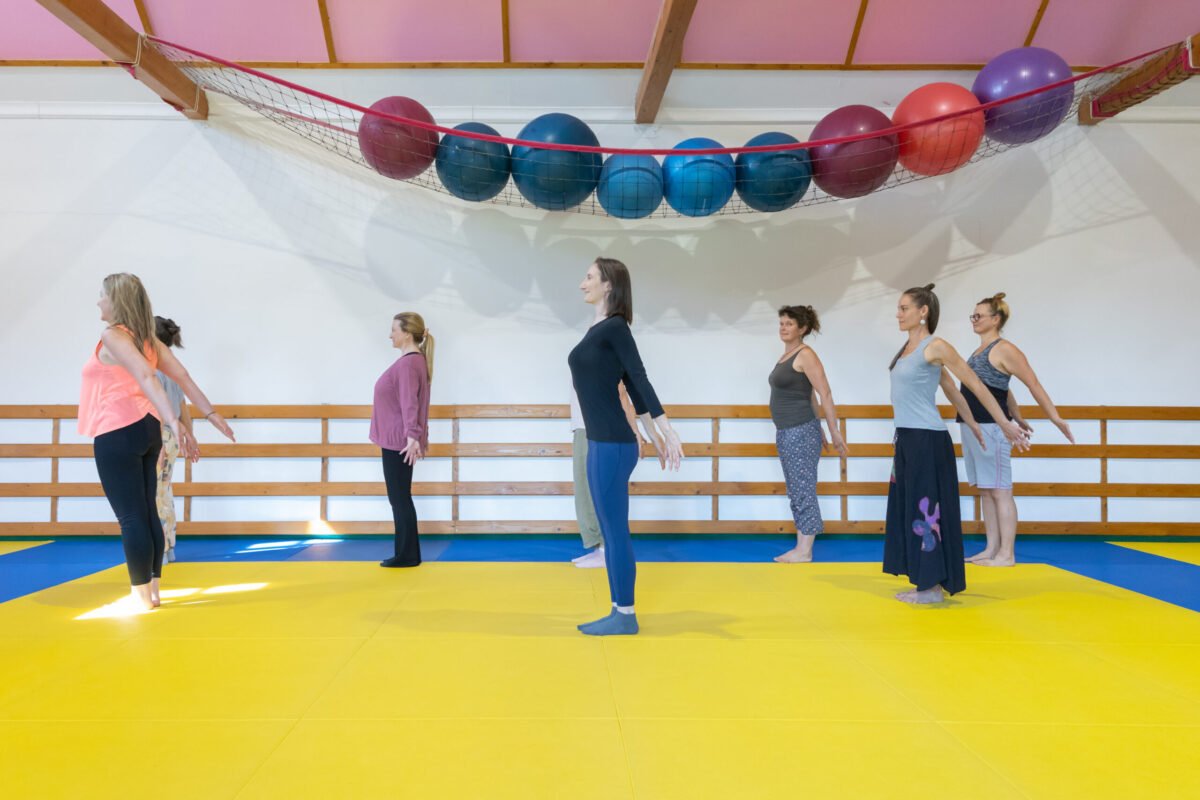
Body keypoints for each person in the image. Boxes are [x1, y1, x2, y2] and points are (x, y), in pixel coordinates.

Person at [79, 274, 234, 610]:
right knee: (147, 511)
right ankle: (153, 592)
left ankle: (140, 595)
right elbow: (182, 377)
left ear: (116, 301)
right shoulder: (148, 340)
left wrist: (177, 422)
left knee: (132, 518)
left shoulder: (113, 337)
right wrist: (209, 414)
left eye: (102, 296)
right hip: (146, 431)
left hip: (117, 431)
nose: (98, 302)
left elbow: (151, 378)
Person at [883, 284, 1028, 604]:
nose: (898, 313)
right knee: (909, 513)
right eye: (898, 308)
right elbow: (950, 390)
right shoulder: (907, 350)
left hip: (927, 440)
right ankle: (923, 580)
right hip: (906, 439)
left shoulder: (936, 346)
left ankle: (932, 587)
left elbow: (974, 384)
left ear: (923, 312)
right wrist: (972, 424)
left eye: (904, 308)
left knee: (927, 515)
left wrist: (1003, 422)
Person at [568, 257, 684, 635]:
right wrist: (653, 434)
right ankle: (620, 611)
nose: (582, 283)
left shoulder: (616, 327)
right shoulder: (599, 328)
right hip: (601, 442)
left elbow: (639, 378)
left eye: (589, 277)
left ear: (608, 286)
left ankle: (625, 614)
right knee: (610, 529)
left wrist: (667, 431)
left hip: (613, 446)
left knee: (615, 532)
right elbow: (629, 387)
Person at [959, 293, 1074, 566]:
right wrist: (1017, 414)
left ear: (995, 319)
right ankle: (991, 548)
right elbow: (1002, 387)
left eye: (979, 316)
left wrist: (1054, 417)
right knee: (986, 490)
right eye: (972, 316)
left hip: (993, 428)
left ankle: (1006, 553)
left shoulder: (1005, 349)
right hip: (972, 424)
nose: (974, 320)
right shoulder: (978, 351)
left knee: (1000, 490)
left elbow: (1033, 383)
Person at [770, 304, 848, 563]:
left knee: (803, 488)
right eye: (782, 323)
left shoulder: (805, 355)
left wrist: (834, 430)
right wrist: (820, 426)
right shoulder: (786, 356)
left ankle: (804, 550)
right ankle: (801, 545)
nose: (783, 327)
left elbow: (824, 392)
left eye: (789, 324)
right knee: (796, 488)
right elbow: (810, 395)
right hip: (790, 431)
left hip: (799, 431)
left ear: (802, 328)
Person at [570, 384, 658, 569]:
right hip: (584, 428)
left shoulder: (605, 356)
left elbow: (622, 393)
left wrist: (635, 430)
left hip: (596, 429)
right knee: (584, 490)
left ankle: (605, 550)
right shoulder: (584, 357)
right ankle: (598, 549)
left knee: (597, 491)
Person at [370, 312, 433, 568]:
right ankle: (406, 553)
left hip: (399, 440)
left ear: (407, 332)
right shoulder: (413, 361)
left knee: (399, 498)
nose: (390, 335)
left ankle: (407, 555)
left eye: (394, 330)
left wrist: (412, 436)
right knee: (399, 497)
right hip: (399, 438)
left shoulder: (408, 363)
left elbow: (410, 402)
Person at [153, 316, 194, 565]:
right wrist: (189, 436)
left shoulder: (153, 369)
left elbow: (157, 407)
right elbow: (182, 406)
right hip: (173, 436)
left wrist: (156, 441)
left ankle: (160, 548)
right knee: (164, 490)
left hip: (160, 434)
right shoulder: (172, 367)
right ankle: (169, 546)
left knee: (154, 493)